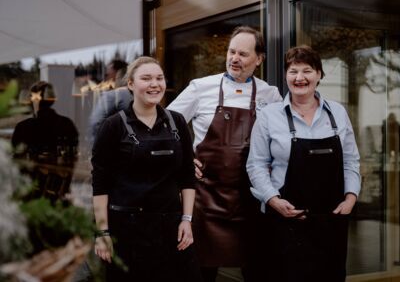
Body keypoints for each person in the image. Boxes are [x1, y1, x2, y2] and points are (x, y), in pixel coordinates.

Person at [167, 25, 282, 281]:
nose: (234, 59)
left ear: (259, 59)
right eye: (231, 52)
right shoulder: (201, 87)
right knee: (201, 272)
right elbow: (165, 128)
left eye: (243, 54)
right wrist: (184, 161)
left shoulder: (270, 94)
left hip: (251, 201)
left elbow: (282, 140)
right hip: (206, 201)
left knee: (257, 271)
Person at [246, 45, 361, 282]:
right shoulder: (269, 115)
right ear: (286, 75)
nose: (300, 78)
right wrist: (273, 200)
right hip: (283, 222)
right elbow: (256, 165)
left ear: (319, 74)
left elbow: (351, 160)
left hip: (330, 223)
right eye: (293, 71)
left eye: (307, 70)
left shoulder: (337, 113)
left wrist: (351, 198)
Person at [91, 56, 201, 281]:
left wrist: (187, 220)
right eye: (146, 78)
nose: (155, 84)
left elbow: (187, 177)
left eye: (159, 78)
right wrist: (102, 233)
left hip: (171, 229)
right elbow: (100, 184)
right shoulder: (113, 126)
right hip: (127, 230)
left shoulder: (177, 122)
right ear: (130, 84)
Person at [12, 81, 79, 200]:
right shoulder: (66, 125)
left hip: (30, 192)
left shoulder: (24, 127)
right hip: (59, 190)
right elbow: (73, 159)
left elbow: (16, 161)